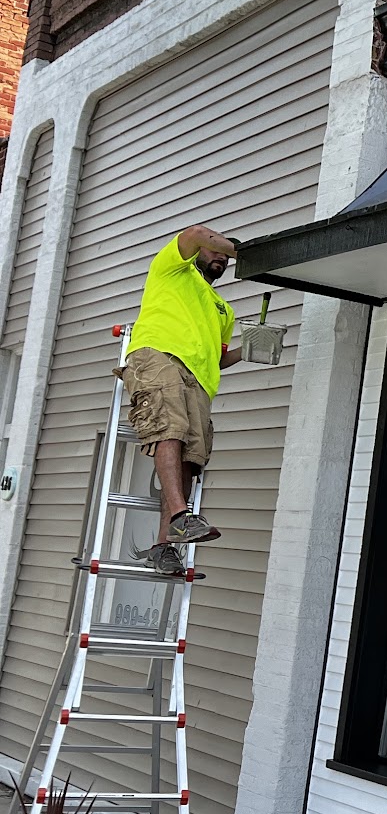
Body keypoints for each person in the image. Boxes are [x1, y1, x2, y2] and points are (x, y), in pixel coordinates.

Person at [122, 224, 241, 573]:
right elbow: (195, 233)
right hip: (158, 355)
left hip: (200, 380)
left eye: (226, 256)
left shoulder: (224, 309)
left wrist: (250, 350)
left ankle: (164, 547)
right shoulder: (173, 269)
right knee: (169, 427)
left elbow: (219, 359)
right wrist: (239, 249)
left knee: (191, 457)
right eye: (216, 249)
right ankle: (180, 515)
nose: (221, 256)